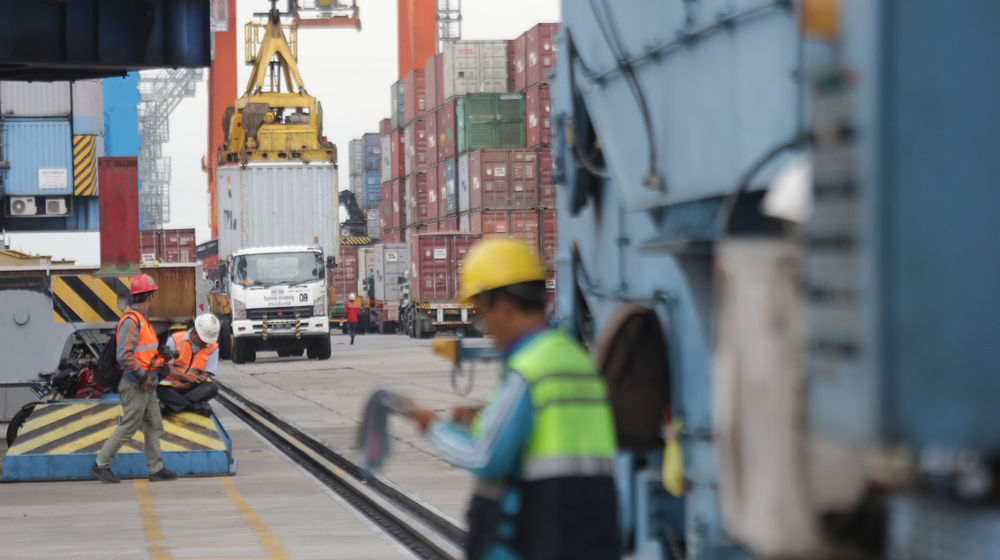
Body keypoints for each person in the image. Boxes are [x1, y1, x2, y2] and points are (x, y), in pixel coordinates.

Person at [405, 238, 620, 559]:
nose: (485, 327)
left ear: (503, 306)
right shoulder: (576, 360)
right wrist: (483, 418)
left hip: (543, 538)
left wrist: (435, 428)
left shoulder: (530, 368)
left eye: (482, 313)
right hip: (592, 537)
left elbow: (484, 457)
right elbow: (555, 433)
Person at [91, 274, 178, 484]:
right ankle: (100, 465)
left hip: (147, 383)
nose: (154, 299)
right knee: (129, 426)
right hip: (136, 384)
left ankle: (156, 469)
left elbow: (143, 353)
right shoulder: (131, 321)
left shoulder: (142, 319)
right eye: (154, 295)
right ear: (149, 297)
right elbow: (124, 355)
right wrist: (142, 376)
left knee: (154, 425)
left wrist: (161, 357)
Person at [157, 314, 221, 416]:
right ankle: (194, 406)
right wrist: (188, 378)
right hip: (171, 385)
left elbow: (206, 374)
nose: (206, 344)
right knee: (158, 388)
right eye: (204, 340)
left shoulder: (213, 347)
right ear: (195, 333)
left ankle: (171, 405)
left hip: (191, 387)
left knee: (212, 388)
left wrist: (186, 385)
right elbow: (167, 367)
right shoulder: (175, 339)